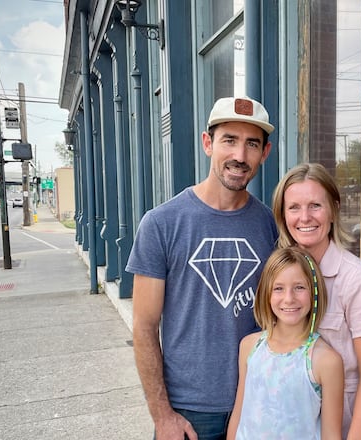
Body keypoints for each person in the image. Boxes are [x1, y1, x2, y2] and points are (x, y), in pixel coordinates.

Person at [126, 96, 278, 440]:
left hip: (257, 402)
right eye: (229, 140)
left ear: (265, 153)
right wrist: (162, 415)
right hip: (189, 412)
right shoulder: (161, 224)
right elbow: (144, 327)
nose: (240, 155)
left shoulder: (270, 225)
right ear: (207, 143)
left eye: (252, 144)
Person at [272, 162, 361, 439]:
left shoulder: (357, 279)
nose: (305, 217)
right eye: (294, 207)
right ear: (283, 214)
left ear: (333, 210)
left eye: (315, 206)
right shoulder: (278, 273)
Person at [227, 247, 344, 440]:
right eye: (278, 288)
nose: (289, 299)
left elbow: (331, 435)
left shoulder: (326, 361)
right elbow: (239, 414)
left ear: (314, 292)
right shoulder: (249, 346)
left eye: (299, 287)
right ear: (266, 294)